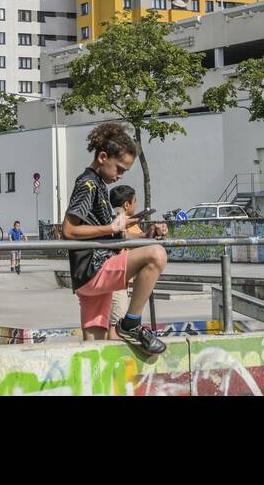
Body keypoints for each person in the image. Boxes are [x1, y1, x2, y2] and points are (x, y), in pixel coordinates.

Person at [63, 122, 168, 355]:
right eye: (119, 168)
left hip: (88, 272)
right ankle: (131, 323)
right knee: (156, 255)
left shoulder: (98, 183)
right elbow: (69, 231)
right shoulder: (88, 184)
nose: (120, 176)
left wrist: (140, 234)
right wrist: (110, 226)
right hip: (94, 267)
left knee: (94, 346)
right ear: (102, 157)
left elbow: (99, 228)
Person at [104, 185, 139, 340]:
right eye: (135, 201)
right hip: (117, 280)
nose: (136, 204)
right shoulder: (122, 221)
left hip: (119, 279)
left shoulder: (115, 220)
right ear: (127, 204)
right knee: (116, 325)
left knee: (109, 323)